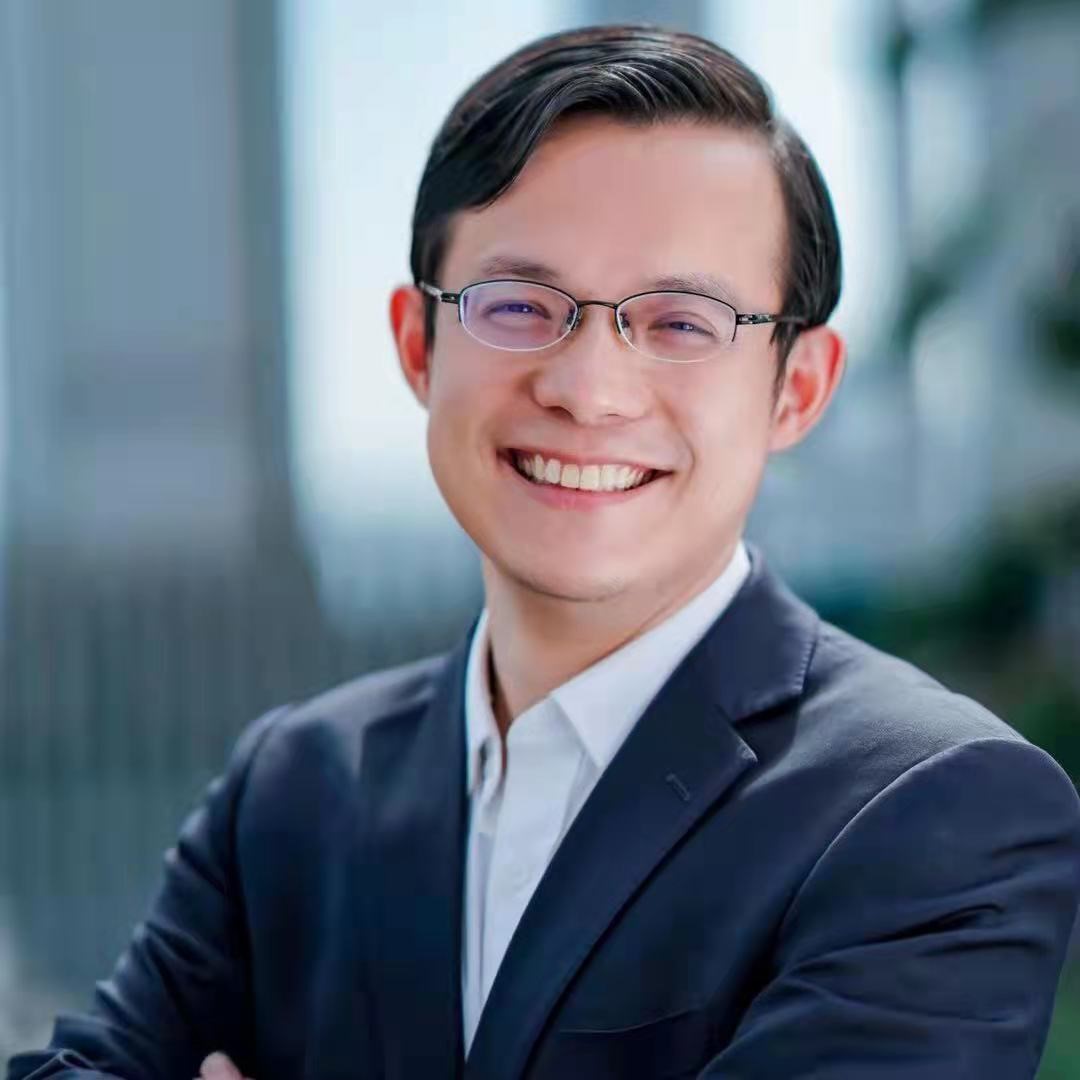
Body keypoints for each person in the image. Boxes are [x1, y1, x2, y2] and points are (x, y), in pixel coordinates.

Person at [9, 24, 1080, 1080]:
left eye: (681, 322)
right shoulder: (294, 789)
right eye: (519, 306)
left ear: (796, 388)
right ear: (418, 346)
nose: (588, 389)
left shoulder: (936, 810)